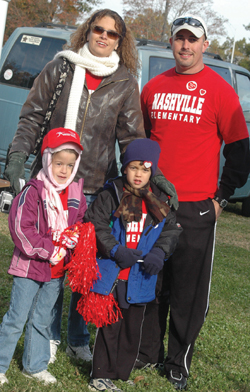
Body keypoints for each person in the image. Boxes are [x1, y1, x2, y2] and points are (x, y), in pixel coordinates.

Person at [4, 9, 146, 364]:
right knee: (49, 260)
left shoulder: (125, 82)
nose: (103, 36)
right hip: (50, 185)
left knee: (84, 268)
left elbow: (132, 139)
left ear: (120, 40)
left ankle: (77, 338)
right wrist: (17, 161)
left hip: (95, 187)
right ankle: (46, 335)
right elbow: (32, 116)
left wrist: (146, 180)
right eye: (98, 29)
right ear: (87, 30)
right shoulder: (60, 67)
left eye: (112, 33)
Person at [139, 14, 250, 390]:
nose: (185, 46)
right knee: (150, 281)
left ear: (205, 44)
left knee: (188, 290)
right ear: (171, 42)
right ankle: (146, 352)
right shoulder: (153, 88)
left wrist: (221, 198)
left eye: (192, 39)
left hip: (196, 207)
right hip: (154, 203)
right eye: (179, 38)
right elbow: (140, 147)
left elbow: (240, 152)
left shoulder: (220, 91)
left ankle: (177, 362)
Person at [84, 138, 182, 392]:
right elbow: (95, 223)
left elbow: (171, 230)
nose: (139, 174)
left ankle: (120, 371)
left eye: (145, 169)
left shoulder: (160, 199)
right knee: (110, 326)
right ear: (124, 167)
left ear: (152, 171)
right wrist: (114, 249)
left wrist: (160, 253)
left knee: (132, 328)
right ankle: (100, 374)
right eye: (134, 167)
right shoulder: (112, 192)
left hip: (141, 277)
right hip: (114, 273)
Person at [0, 127, 87, 386]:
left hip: (56, 272)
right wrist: (48, 250)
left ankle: (35, 365)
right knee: (17, 317)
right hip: (29, 267)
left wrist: (74, 239)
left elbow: (79, 223)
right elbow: (20, 229)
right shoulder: (33, 191)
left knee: (43, 320)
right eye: (59, 163)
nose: (63, 170)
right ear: (47, 159)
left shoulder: (75, 194)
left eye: (70, 165)